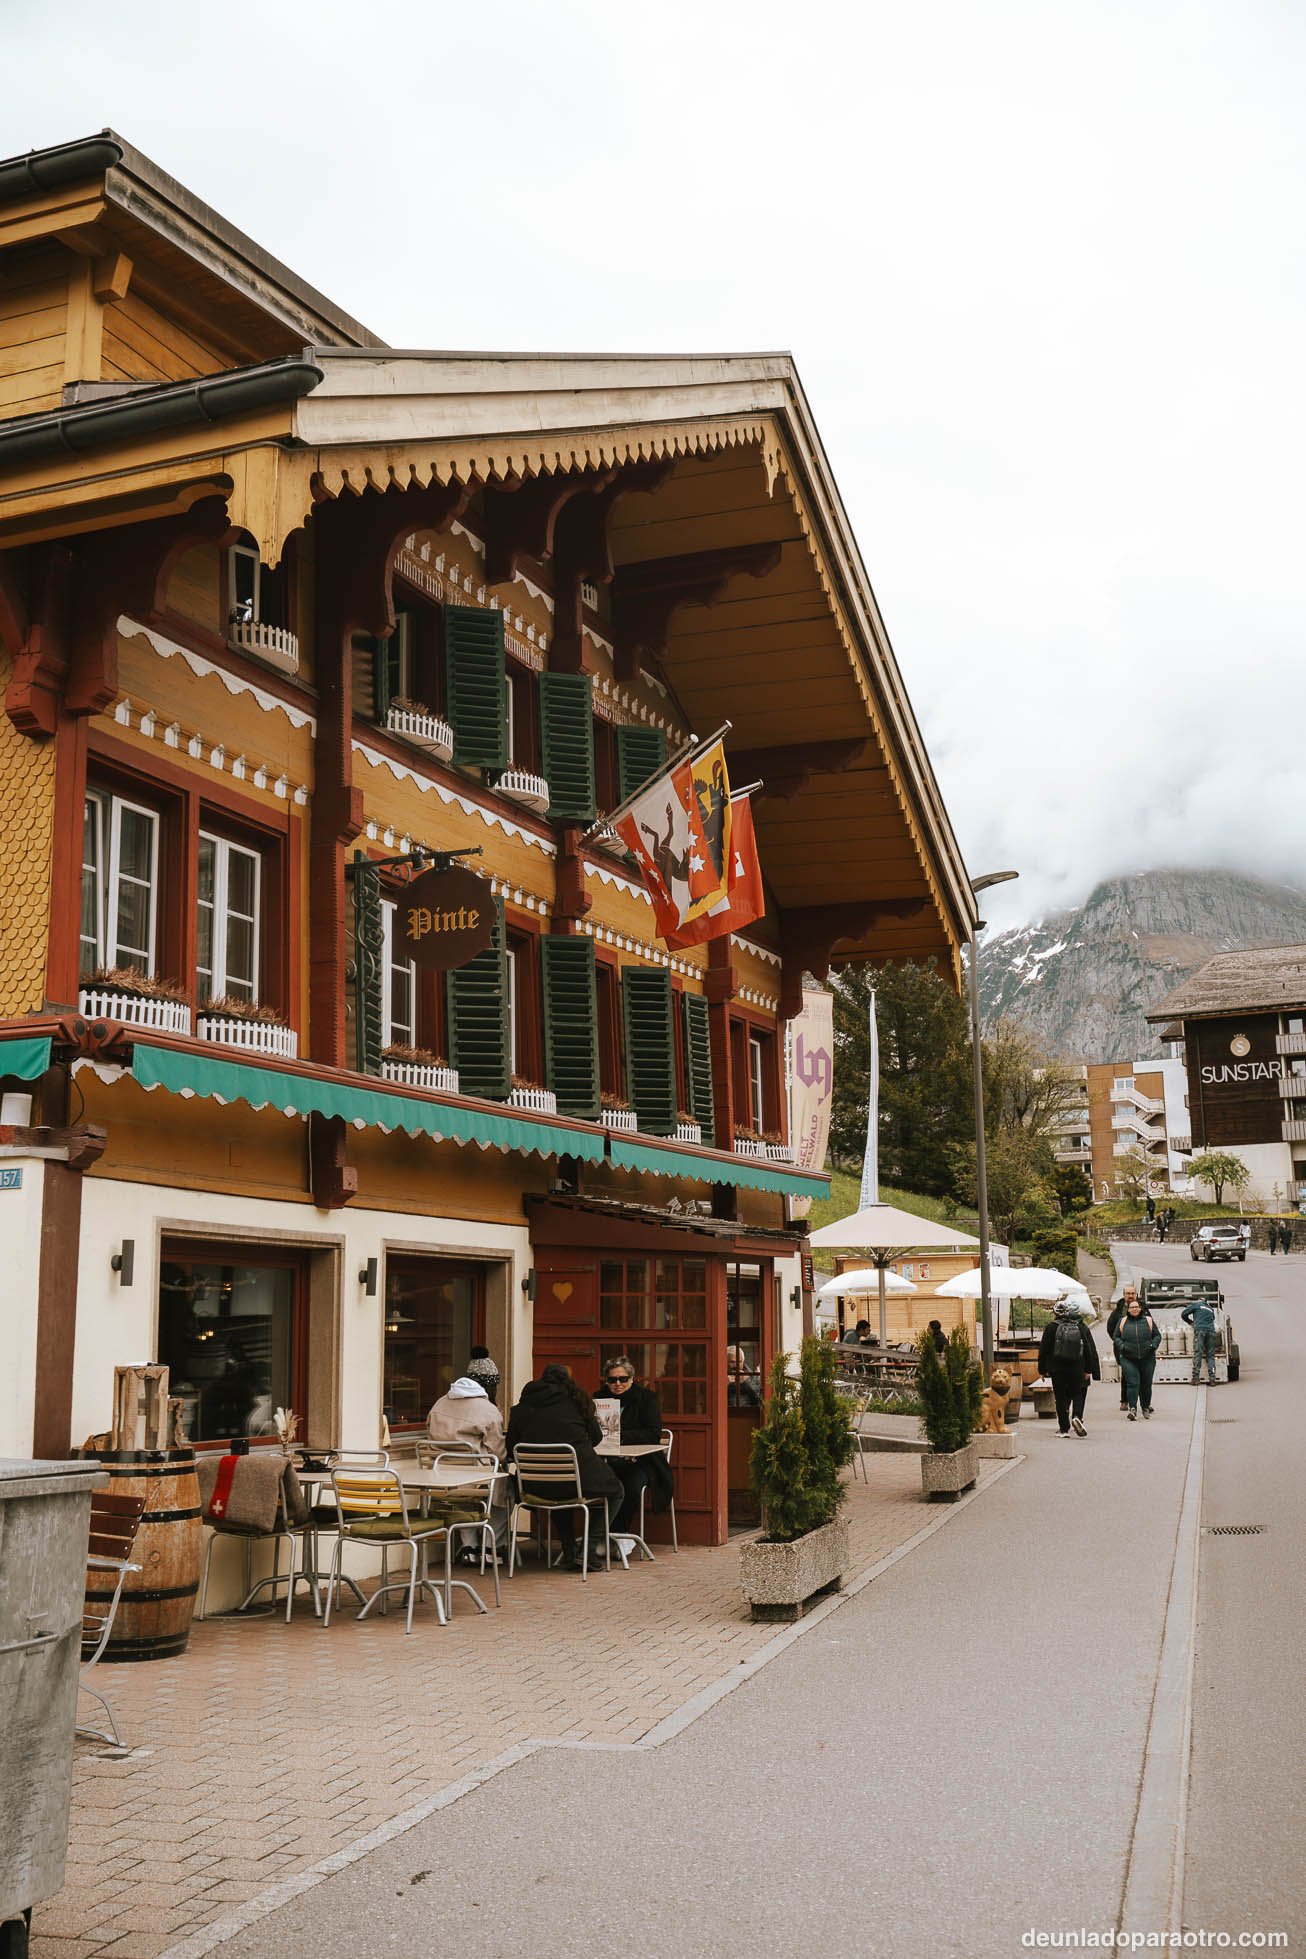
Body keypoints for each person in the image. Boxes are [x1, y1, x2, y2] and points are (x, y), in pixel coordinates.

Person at [504, 1363, 625, 1569]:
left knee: (558, 1494)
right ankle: (587, 1550)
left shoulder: (520, 1408)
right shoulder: (578, 1402)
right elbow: (596, 1439)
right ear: (567, 1380)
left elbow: (511, 1447)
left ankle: (569, 1551)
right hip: (577, 1478)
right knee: (616, 1491)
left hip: (533, 1485)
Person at [598, 1354, 674, 1536]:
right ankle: (598, 1534)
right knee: (592, 1485)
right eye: (612, 1379)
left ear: (632, 1379)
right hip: (607, 1460)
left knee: (630, 1486)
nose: (618, 1384)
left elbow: (653, 1433)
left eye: (623, 1379)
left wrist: (620, 1436)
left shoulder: (646, 1399)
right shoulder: (599, 1398)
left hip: (641, 1462)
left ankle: (618, 1534)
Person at [1037, 1298, 1100, 1437]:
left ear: (1055, 1313)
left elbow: (1043, 1350)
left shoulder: (1051, 1327)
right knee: (1077, 1393)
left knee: (1060, 1397)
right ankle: (1076, 1416)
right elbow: (1088, 1349)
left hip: (1057, 1368)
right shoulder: (1077, 1326)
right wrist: (1088, 1369)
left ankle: (1064, 1429)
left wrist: (1042, 1370)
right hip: (1077, 1366)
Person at [426, 1375, 505, 1458]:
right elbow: (497, 1453)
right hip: (475, 1468)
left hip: (438, 1465)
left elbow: (430, 1434)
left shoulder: (439, 1403)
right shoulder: (489, 1409)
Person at [1114, 1292, 1162, 1421]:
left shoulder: (1148, 1320)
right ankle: (1133, 1409)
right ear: (1128, 1310)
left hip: (1147, 1358)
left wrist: (1153, 1346)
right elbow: (1116, 1337)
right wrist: (1122, 1347)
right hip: (1128, 1358)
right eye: (1132, 1307)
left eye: (1136, 1307)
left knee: (1146, 1384)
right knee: (1132, 1383)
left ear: (1140, 1308)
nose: (1134, 1309)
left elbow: (1157, 1335)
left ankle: (1145, 1407)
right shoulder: (1122, 1321)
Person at [1107, 1286, 1140, 1410]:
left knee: (1142, 1375)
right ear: (1124, 1295)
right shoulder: (1118, 1312)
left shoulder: (1143, 1308)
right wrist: (1119, 1343)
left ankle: (1145, 1403)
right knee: (1127, 1375)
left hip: (1140, 1348)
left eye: (1133, 1293)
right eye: (1128, 1293)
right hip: (1123, 1349)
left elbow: (1150, 1325)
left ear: (1136, 1294)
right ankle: (1124, 1400)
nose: (1130, 1295)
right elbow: (1110, 1329)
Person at [1181, 1292, 1219, 1386]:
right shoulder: (1210, 1308)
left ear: (1199, 1299)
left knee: (1198, 1352)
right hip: (1211, 1331)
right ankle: (1212, 1378)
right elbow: (1212, 1319)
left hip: (1200, 1331)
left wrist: (1190, 1322)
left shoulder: (1196, 1304)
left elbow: (1183, 1314)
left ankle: (1195, 1378)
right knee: (1210, 1355)